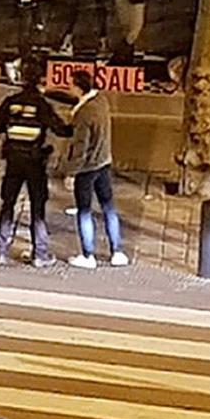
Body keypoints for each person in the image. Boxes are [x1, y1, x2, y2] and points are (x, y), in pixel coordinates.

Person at [0, 60, 73, 267]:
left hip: (13, 159)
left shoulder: (11, 101)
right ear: (41, 80)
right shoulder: (42, 104)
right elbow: (61, 130)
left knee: (8, 204)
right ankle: (40, 254)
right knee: (37, 207)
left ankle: (0, 251)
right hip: (35, 161)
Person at [63, 69, 128, 269]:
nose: (69, 88)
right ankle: (117, 251)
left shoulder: (83, 115)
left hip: (87, 168)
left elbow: (81, 146)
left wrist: (71, 172)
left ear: (78, 87)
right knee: (108, 206)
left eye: (71, 84)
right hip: (104, 163)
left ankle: (88, 254)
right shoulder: (101, 101)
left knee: (84, 211)